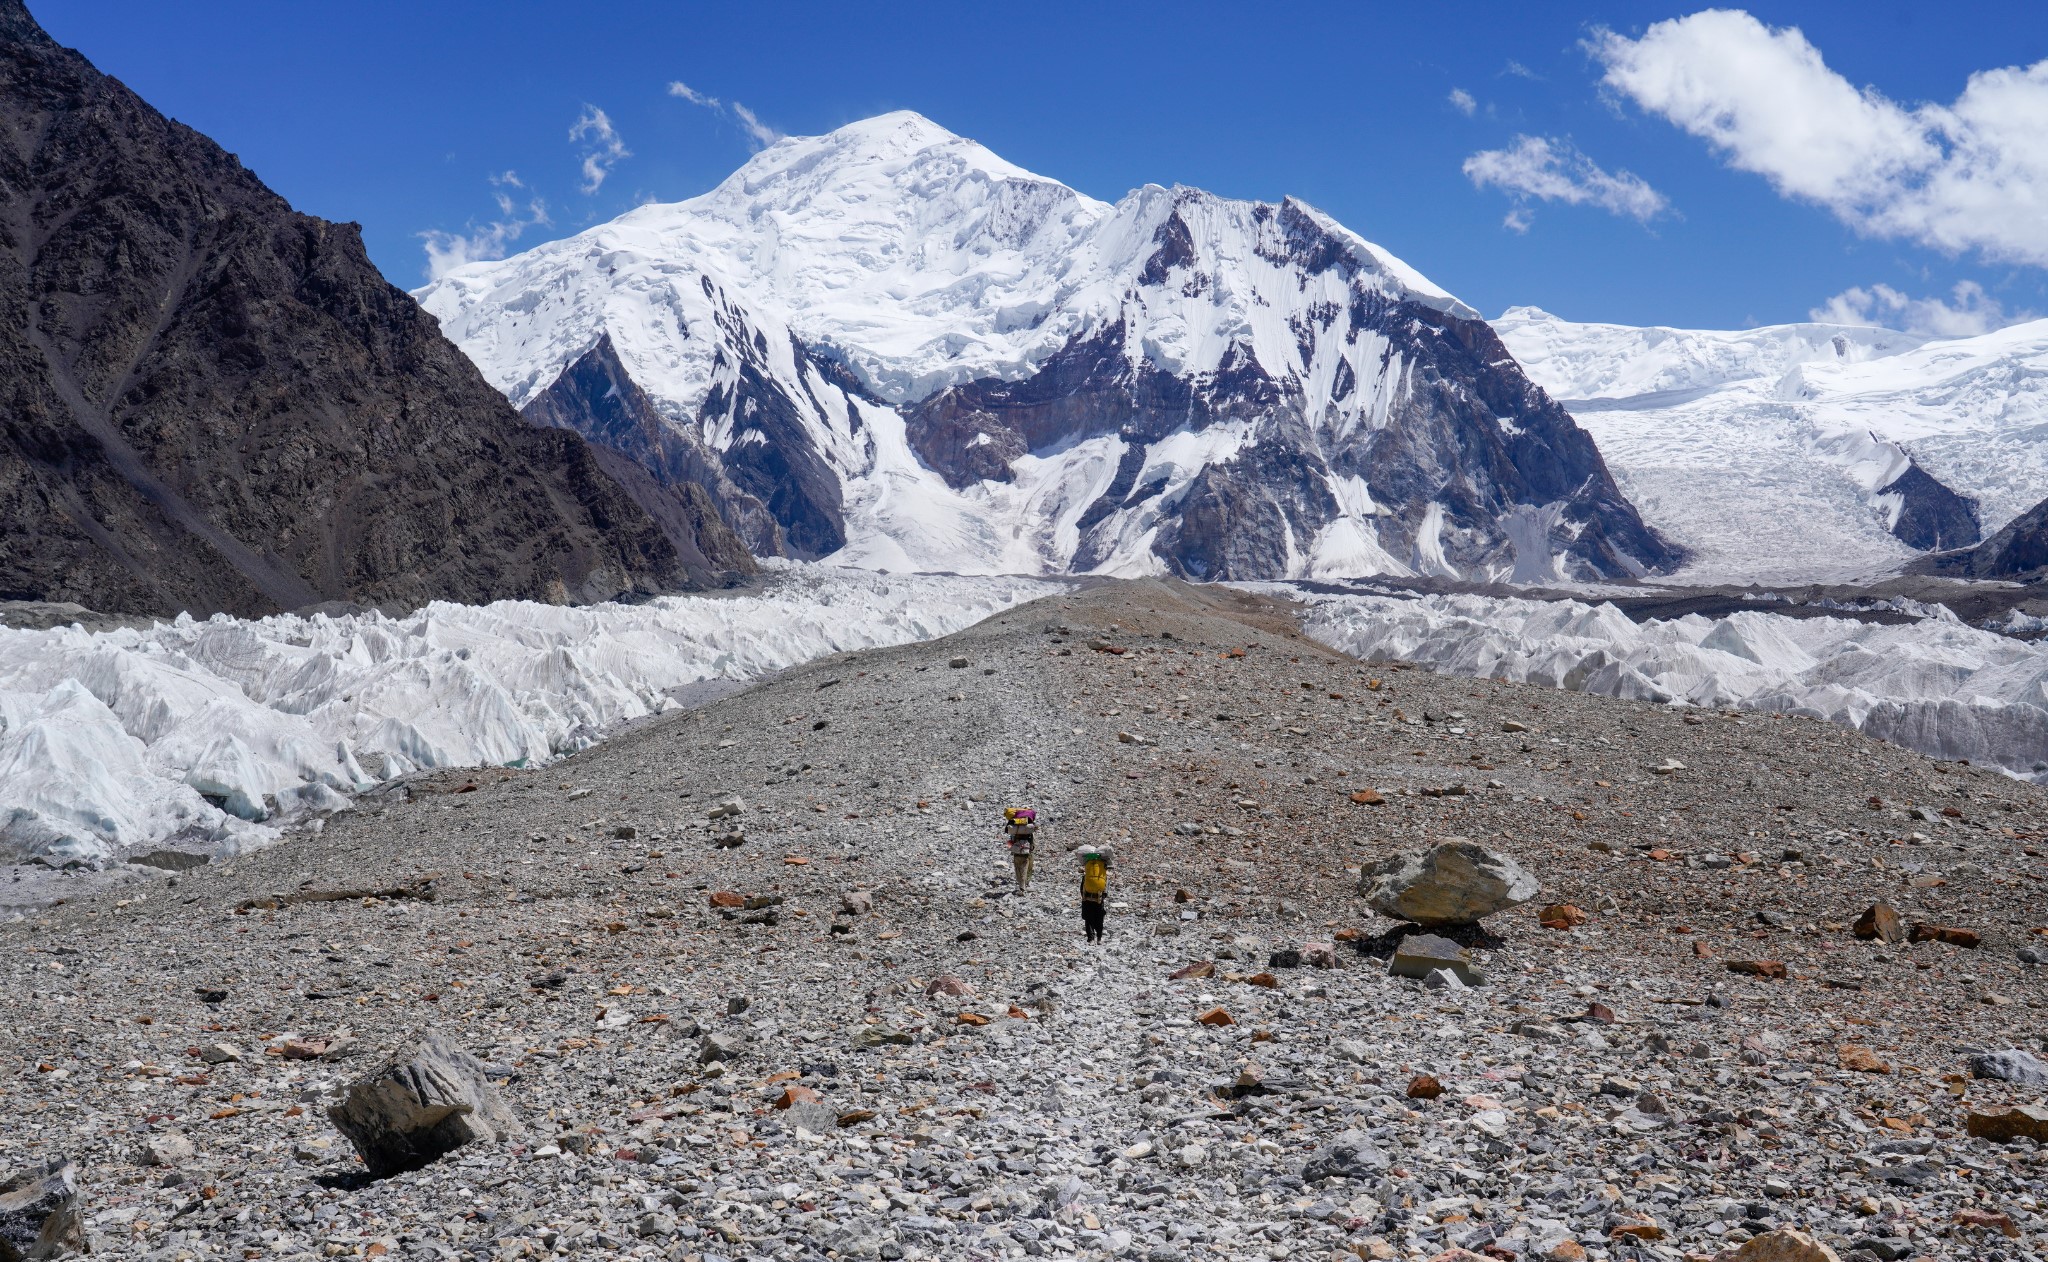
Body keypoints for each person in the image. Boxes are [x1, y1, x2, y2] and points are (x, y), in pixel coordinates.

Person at [1077, 843, 1110, 943]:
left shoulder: (1088, 870)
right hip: (1099, 897)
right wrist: (1104, 896)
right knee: (1099, 917)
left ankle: (1090, 938)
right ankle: (1099, 938)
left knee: (1088, 917)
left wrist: (1083, 895)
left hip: (1087, 896)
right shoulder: (1102, 872)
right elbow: (1106, 887)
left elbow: (1082, 886)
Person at [1003, 806, 1037, 891]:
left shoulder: (1014, 830)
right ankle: (1024, 885)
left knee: (1017, 868)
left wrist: (1010, 849)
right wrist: (1032, 848)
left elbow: (1010, 840)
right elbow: (1032, 842)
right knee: (1026, 867)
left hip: (1016, 851)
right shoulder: (1029, 832)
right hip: (1026, 850)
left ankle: (1021, 885)